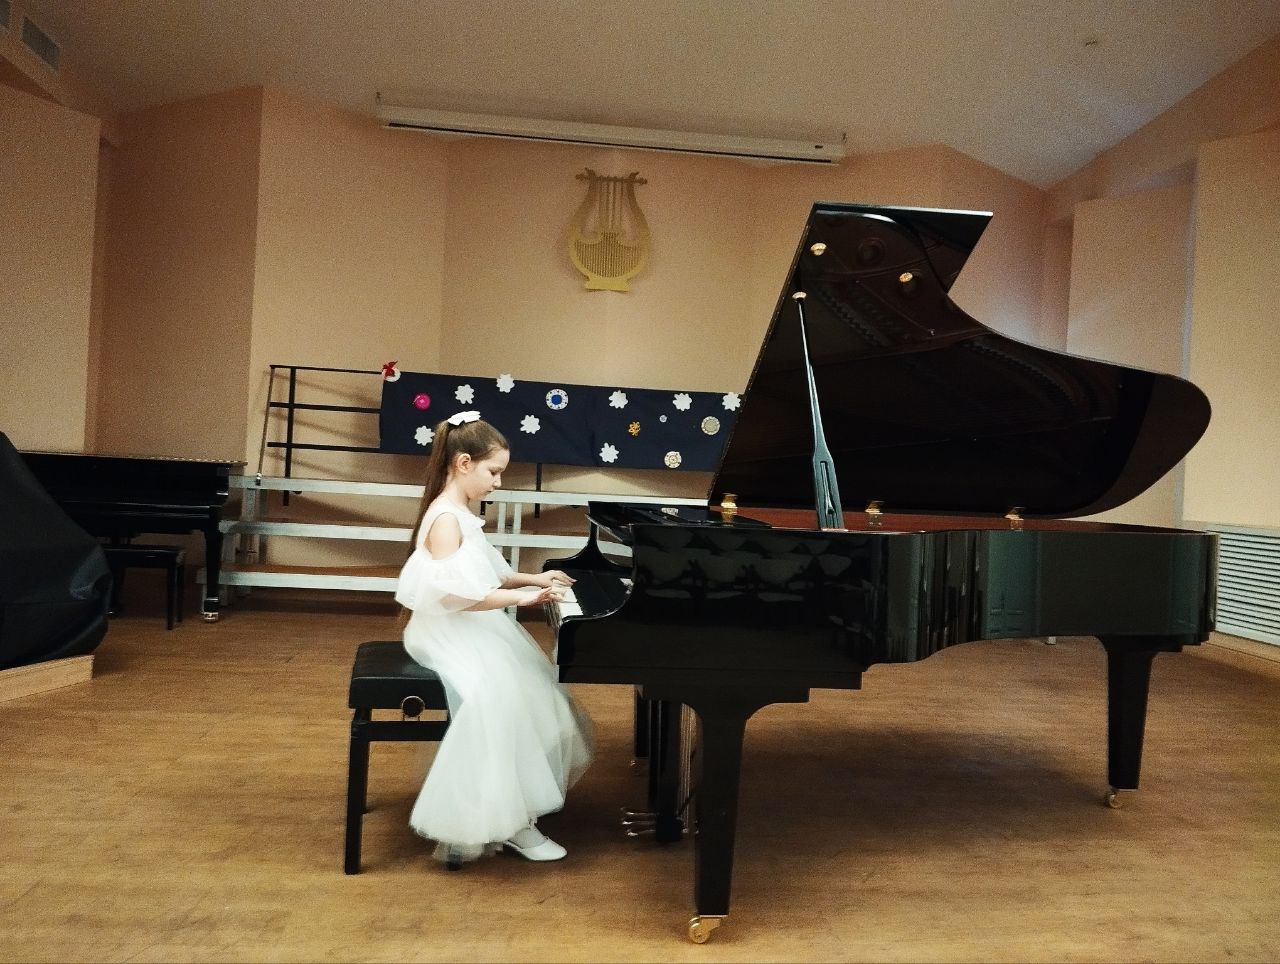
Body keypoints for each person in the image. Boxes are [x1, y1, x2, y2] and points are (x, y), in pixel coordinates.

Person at [395, 410, 593, 865]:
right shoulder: (445, 521)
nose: (498, 483)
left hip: (469, 625)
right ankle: (509, 823)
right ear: (464, 463)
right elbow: (455, 598)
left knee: (538, 695)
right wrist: (526, 599)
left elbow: (490, 574)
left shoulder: (460, 514)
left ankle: (517, 809)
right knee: (499, 700)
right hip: (444, 631)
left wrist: (533, 579)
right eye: (494, 472)